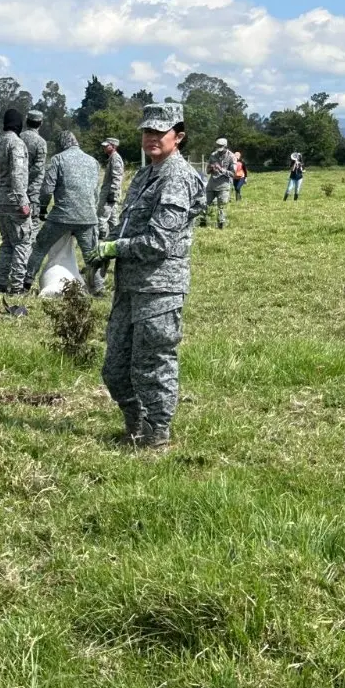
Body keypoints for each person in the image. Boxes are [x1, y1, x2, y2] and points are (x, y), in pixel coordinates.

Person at [86, 103, 206, 448]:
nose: (151, 138)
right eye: (146, 132)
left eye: (160, 132)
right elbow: (128, 225)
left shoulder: (177, 177)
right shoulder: (144, 173)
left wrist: (113, 249)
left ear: (178, 137)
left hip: (159, 287)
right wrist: (106, 249)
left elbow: (157, 242)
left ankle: (157, 437)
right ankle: (135, 427)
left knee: (153, 366)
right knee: (115, 367)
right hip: (130, 285)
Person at [21, 131, 103, 296]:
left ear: (60, 145)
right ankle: (98, 289)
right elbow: (96, 193)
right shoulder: (93, 162)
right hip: (88, 217)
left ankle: (26, 283)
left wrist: (42, 208)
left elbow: (47, 189)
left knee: (40, 247)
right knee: (91, 256)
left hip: (61, 216)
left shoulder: (58, 160)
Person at [0, 109, 31, 294]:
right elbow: (17, 173)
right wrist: (23, 201)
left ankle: (0, 282)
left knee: (7, 242)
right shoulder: (17, 144)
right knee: (22, 242)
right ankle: (17, 286)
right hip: (14, 199)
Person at [20, 110, 48, 236]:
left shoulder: (18, 138)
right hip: (33, 190)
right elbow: (38, 167)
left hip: (17, 187)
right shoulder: (41, 142)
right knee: (33, 222)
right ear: (40, 123)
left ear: (27, 121)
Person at [203, 137, 235, 229]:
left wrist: (221, 169)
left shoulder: (231, 157)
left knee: (221, 206)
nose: (219, 150)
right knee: (204, 203)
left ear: (225, 146)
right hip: (211, 184)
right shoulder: (213, 155)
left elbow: (233, 174)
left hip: (223, 186)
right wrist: (211, 168)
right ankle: (203, 221)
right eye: (218, 147)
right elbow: (207, 171)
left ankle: (221, 224)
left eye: (221, 147)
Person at [97, 137, 124, 240]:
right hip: (109, 192)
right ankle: (116, 237)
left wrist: (112, 193)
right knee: (113, 218)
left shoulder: (116, 158)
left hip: (110, 193)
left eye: (106, 146)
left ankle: (101, 238)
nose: (104, 148)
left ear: (113, 146)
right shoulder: (112, 158)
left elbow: (117, 177)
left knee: (102, 217)